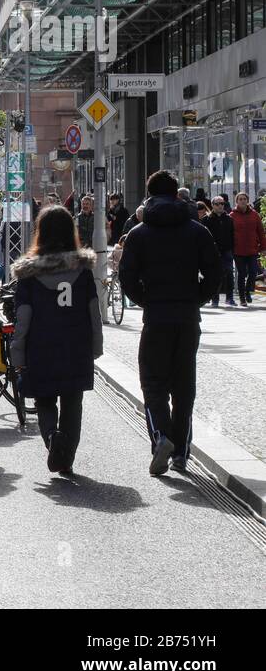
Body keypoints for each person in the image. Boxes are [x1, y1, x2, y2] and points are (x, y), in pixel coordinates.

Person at [119, 170, 220, 476]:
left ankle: (161, 436)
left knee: (152, 382)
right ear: (177, 194)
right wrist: (196, 298)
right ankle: (181, 453)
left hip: (156, 317)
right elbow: (215, 273)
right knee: (183, 385)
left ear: (148, 196)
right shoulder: (196, 229)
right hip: (187, 317)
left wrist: (146, 300)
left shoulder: (138, 233)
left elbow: (127, 277)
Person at [8, 206, 103, 476]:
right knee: (73, 401)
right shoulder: (83, 272)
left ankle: (52, 437)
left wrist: (18, 353)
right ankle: (67, 457)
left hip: (41, 346)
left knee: (44, 399)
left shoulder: (28, 275)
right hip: (76, 345)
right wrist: (96, 346)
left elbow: (23, 318)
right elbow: (93, 312)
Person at [230, 191, 265, 306]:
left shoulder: (254, 215)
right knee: (241, 273)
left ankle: (247, 291)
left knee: (253, 272)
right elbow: (229, 233)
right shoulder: (232, 215)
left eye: (244, 199)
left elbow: (260, 232)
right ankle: (242, 298)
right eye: (240, 199)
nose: (242, 201)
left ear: (247, 200)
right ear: (237, 202)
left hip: (252, 249)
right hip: (238, 250)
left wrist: (263, 248)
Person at [206, 195, 236, 306]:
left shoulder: (229, 219)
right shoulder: (207, 219)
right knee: (215, 276)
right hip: (213, 252)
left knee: (229, 274)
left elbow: (232, 235)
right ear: (212, 205)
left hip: (226, 251)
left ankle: (230, 298)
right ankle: (215, 299)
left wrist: (232, 249)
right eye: (217, 204)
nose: (220, 206)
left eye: (222, 203)